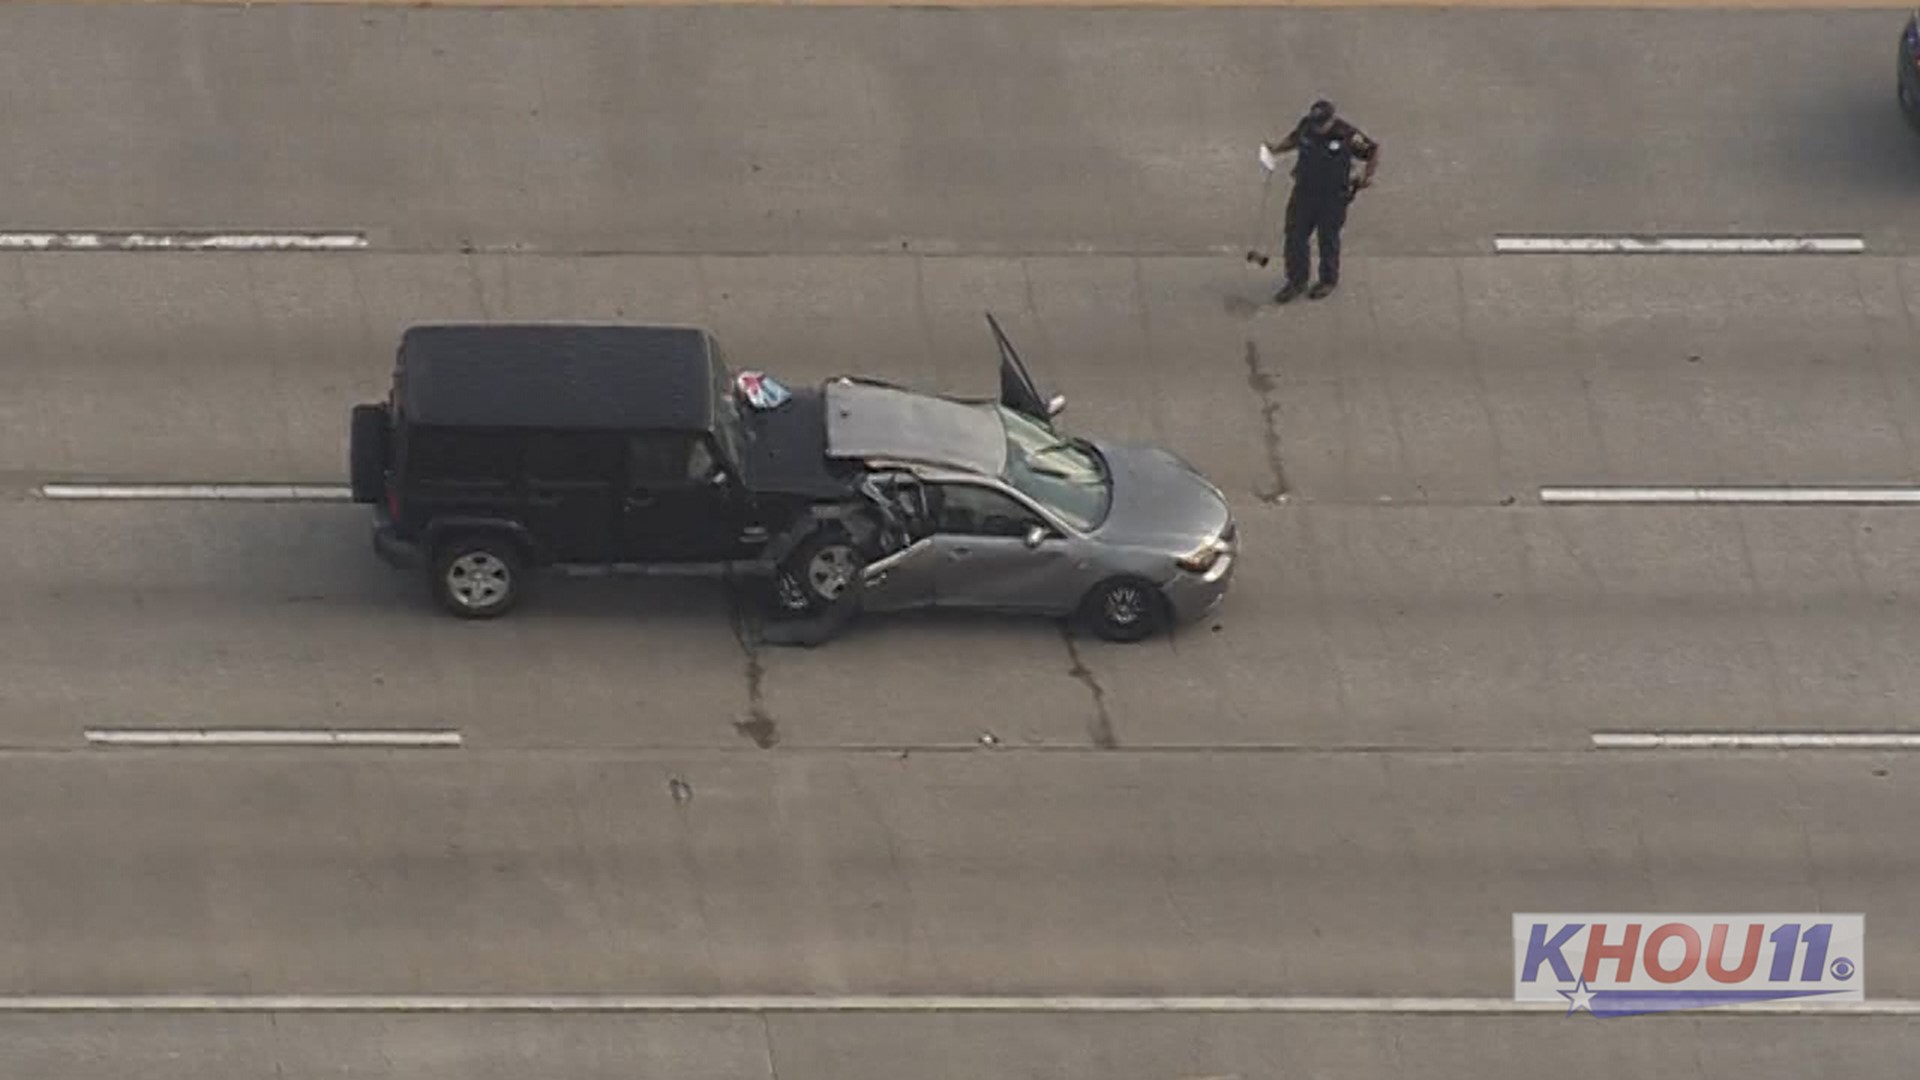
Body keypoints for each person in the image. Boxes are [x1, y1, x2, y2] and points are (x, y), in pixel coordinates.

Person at [1262, 99, 1380, 302]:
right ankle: (1296, 281)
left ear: (1331, 120)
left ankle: (1328, 280)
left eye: (1321, 124)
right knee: (1295, 236)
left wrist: (1367, 176)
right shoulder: (1307, 125)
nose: (1317, 128)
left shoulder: (1347, 134)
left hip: (1333, 196)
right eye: (1315, 123)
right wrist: (1276, 148)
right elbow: (1295, 139)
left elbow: (1373, 151)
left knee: (1328, 239)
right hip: (1304, 191)